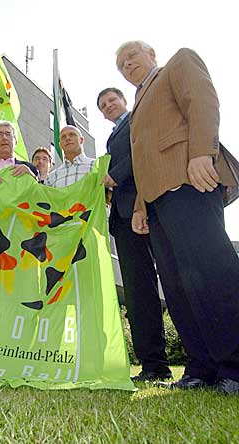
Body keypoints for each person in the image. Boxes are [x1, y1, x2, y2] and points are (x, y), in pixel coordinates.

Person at [116, 40, 239, 394]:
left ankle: (234, 365)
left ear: (151, 54)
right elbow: (143, 161)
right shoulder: (137, 105)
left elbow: (203, 101)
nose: (127, 65)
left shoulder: (177, 64)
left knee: (213, 273)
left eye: (131, 57)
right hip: (155, 203)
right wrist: (140, 205)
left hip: (189, 180)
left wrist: (202, 152)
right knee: (178, 287)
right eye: (121, 64)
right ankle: (201, 367)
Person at [97, 87, 171, 381]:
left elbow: (143, 151)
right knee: (138, 292)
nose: (108, 106)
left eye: (112, 100)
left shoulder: (137, 120)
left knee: (168, 283)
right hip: (123, 219)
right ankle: (153, 364)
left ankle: (195, 361)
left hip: (150, 209)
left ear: (124, 101)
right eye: (103, 105)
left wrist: (116, 176)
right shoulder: (112, 137)